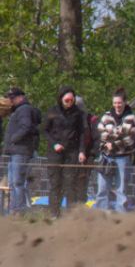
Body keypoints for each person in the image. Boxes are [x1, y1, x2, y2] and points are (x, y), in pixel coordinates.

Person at [43, 86, 88, 217]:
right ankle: (54, 214)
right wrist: (54, 144)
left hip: (72, 153)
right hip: (55, 153)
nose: (69, 102)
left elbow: (81, 133)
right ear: (61, 99)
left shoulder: (78, 113)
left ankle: (70, 216)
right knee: (55, 184)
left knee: (70, 184)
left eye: (71, 100)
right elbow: (44, 130)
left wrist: (81, 151)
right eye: (67, 100)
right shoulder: (52, 111)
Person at [96, 88, 135, 212]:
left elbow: (129, 140)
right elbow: (101, 133)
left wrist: (111, 142)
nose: (117, 105)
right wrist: (110, 139)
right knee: (102, 188)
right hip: (106, 157)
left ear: (125, 102)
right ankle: (101, 215)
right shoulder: (106, 116)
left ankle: (121, 217)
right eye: (115, 103)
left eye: (119, 102)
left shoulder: (131, 118)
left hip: (123, 158)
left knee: (121, 190)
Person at [2, 87, 40, 214]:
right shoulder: (19, 110)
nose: (10, 101)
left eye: (12, 98)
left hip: (21, 151)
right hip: (15, 151)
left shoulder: (24, 109)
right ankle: (14, 209)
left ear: (20, 97)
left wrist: (14, 138)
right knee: (12, 183)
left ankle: (19, 210)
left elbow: (26, 127)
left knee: (18, 182)